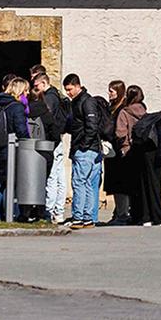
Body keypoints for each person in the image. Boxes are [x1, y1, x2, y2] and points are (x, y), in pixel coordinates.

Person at [62, 73, 110, 228]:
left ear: (77, 86)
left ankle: (79, 217)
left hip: (86, 149)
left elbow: (91, 125)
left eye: (69, 89)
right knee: (88, 183)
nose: (68, 93)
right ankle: (88, 217)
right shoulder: (81, 101)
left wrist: (83, 145)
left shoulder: (86, 101)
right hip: (90, 148)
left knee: (79, 182)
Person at [0, 75, 31, 220]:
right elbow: (21, 130)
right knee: (12, 183)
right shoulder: (16, 107)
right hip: (12, 148)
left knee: (2, 183)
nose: (27, 94)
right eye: (25, 91)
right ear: (20, 91)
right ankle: (12, 214)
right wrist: (27, 142)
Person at [128, 94, 161, 226]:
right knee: (155, 184)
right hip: (154, 152)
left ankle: (146, 217)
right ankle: (159, 217)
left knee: (145, 184)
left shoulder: (152, 118)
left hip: (142, 152)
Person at [29, 70, 70, 223]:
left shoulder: (49, 98)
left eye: (36, 85)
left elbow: (48, 121)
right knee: (58, 176)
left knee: (52, 177)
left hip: (52, 141)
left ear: (44, 83)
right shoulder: (56, 95)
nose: (35, 88)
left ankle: (50, 209)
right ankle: (57, 211)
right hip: (57, 139)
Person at [107, 82, 135, 225]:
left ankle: (123, 213)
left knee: (121, 185)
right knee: (116, 185)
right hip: (113, 152)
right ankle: (119, 211)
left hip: (120, 151)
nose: (110, 94)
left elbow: (118, 130)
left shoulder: (122, 109)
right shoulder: (112, 108)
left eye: (112, 91)